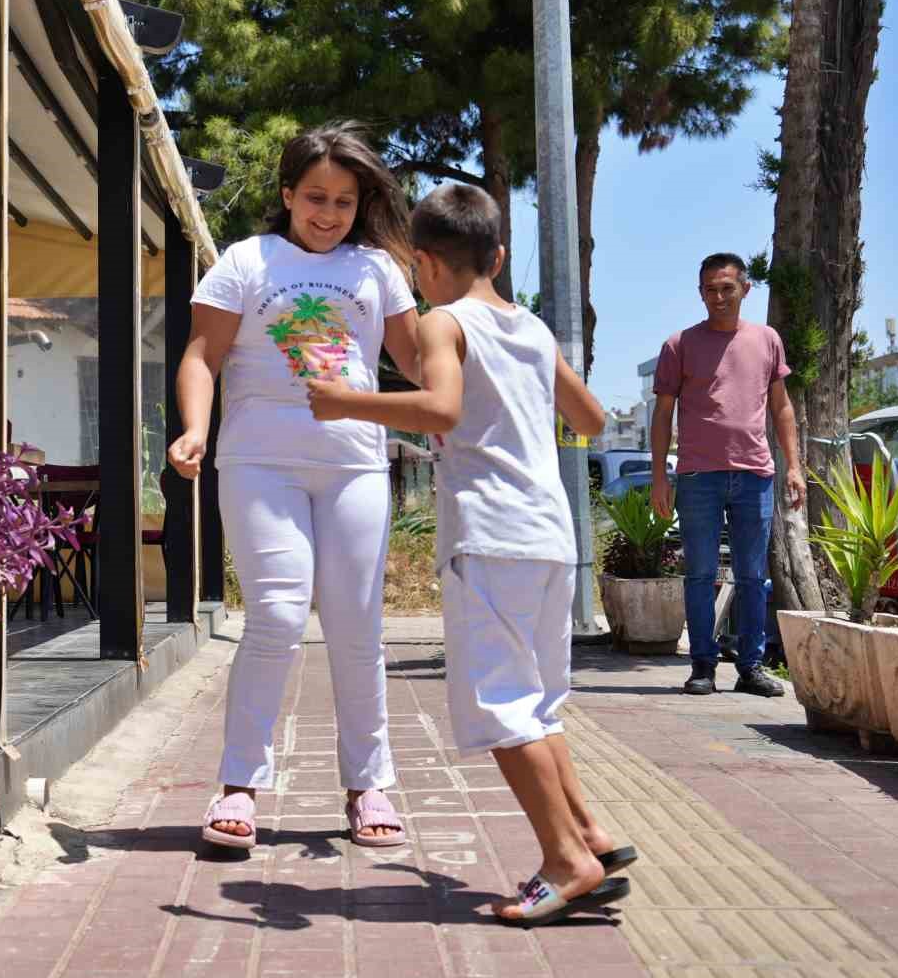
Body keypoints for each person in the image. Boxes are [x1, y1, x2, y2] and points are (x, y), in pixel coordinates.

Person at [305, 183, 635, 925]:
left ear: (423, 264)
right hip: (551, 535)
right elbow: (588, 416)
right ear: (500, 254)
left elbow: (442, 409)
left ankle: (566, 861)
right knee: (537, 704)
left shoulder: (440, 324)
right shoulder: (532, 328)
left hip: (491, 533)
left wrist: (344, 401)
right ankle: (591, 835)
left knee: (498, 705)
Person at [167, 123, 422, 851]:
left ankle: (368, 783)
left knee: (355, 625)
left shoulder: (376, 269)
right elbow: (201, 355)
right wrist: (194, 428)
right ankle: (239, 785)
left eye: (345, 200)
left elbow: (415, 357)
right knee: (277, 616)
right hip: (259, 462)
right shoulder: (247, 261)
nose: (329, 213)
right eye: (315, 197)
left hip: (356, 464)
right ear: (287, 194)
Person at [649, 254, 805, 697]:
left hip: (755, 474)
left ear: (745, 289)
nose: (718, 297)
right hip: (698, 477)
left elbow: (782, 406)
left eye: (726, 288)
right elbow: (663, 414)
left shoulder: (767, 340)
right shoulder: (679, 345)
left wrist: (793, 466)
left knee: (753, 576)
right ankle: (702, 665)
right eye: (709, 290)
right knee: (699, 574)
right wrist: (660, 476)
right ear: (700, 293)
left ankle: (751, 667)